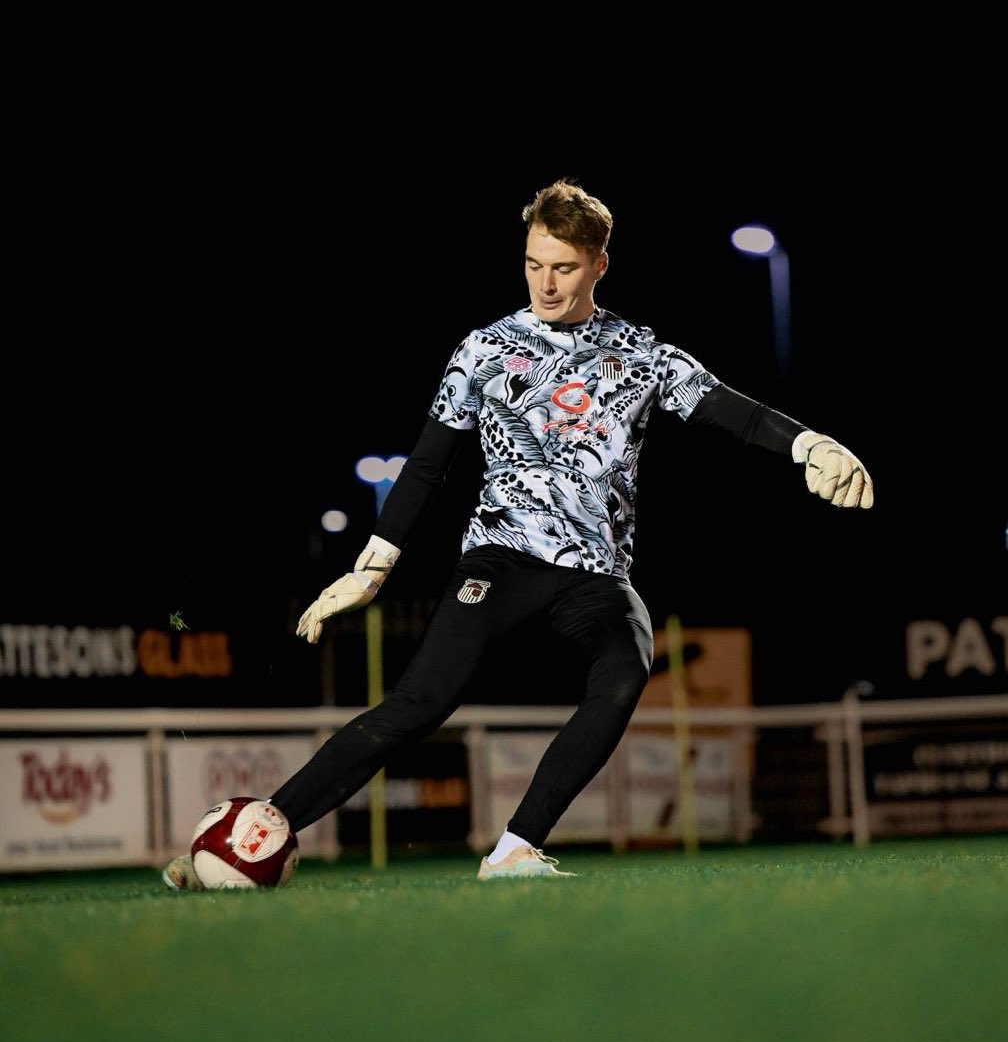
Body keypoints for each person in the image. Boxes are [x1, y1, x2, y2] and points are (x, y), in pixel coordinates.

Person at [163, 179, 873, 889]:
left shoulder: (640, 352)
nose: (545, 282)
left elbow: (735, 412)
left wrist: (809, 443)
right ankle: (246, 833)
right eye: (533, 264)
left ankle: (514, 849)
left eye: (563, 267)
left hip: (595, 575)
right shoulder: (485, 349)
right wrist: (372, 566)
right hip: (501, 559)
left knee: (626, 667)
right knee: (420, 703)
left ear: (598, 263)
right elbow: (428, 465)